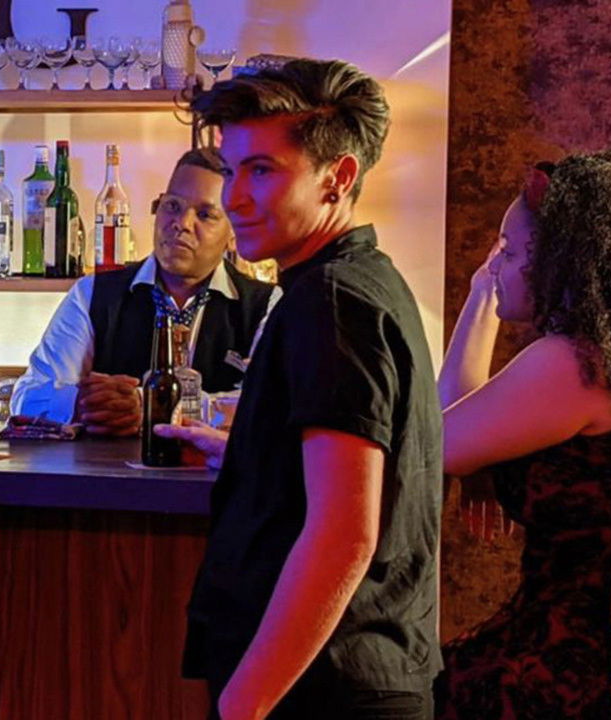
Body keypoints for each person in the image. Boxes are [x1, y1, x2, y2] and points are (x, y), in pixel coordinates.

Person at [170, 59, 443, 719]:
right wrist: (254, 456)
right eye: (232, 170)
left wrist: (245, 704)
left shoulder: (332, 299)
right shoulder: (360, 280)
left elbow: (343, 534)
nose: (235, 199)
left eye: (262, 171)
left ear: (338, 177)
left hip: (327, 688)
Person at [435, 149, 611, 719]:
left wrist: (479, 300)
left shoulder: (573, 363)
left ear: (560, 262)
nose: (495, 266)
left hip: (599, 652)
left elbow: (439, 446)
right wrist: (484, 288)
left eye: (509, 251)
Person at [9, 148, 277, 436]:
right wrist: (81, 403)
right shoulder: (94, 294)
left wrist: (154, 404)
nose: (182, 223)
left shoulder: (265, 305)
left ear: (233, 231)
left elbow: (272, 405)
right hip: (107, 466)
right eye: (172, 206)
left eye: (205, 214)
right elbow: (26, 397)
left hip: (214, 467)